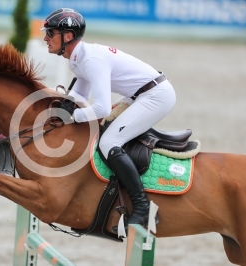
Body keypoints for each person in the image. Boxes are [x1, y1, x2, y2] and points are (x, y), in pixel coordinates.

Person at [41, 8, 176, 230]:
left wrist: (71, 116)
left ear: (68, 36)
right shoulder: (77, 59)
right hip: (141, 94)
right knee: (105, 135)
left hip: (156, 96)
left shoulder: (91, 59)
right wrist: (58, 110)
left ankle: (142, 208)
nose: (46, 38)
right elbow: (80, 96)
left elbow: (102, 108)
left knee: (109, 142)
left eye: (50, 33)